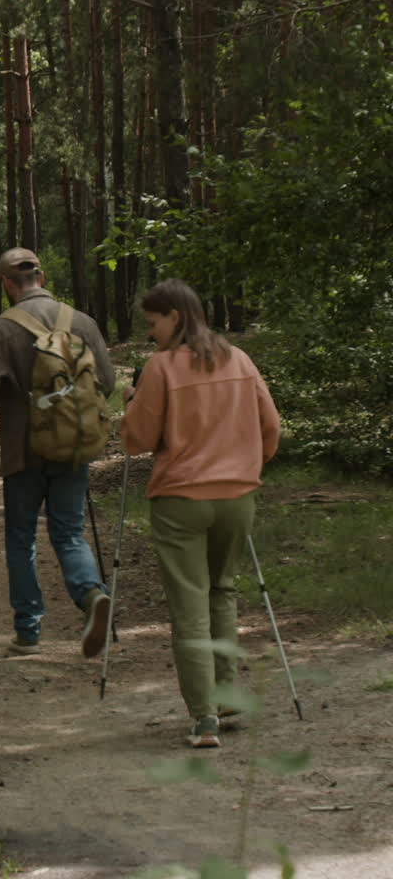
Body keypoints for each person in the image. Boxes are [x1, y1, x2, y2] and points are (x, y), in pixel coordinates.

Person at [119, 279, 280, 749]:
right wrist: (246, 464)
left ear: (174, 316)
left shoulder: (162, 367)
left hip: (181, 498)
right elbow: (270, 428)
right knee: (222, 591)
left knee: (189, 604)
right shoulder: (240, 360)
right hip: (236, 495)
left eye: (153, 323)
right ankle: (226, 694)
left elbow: (139, 440)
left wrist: (130, 411)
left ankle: (204, 716)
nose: (151, 333)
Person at [0, 247, 116, 655]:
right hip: (74, 446)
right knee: (68, 531)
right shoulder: (81, 321)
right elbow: (108, 381)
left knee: (21, 537)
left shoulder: (1, 329)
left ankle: (28, 632)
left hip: (23, 449)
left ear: (7, 284)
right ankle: (91, 594)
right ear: (41, 278)